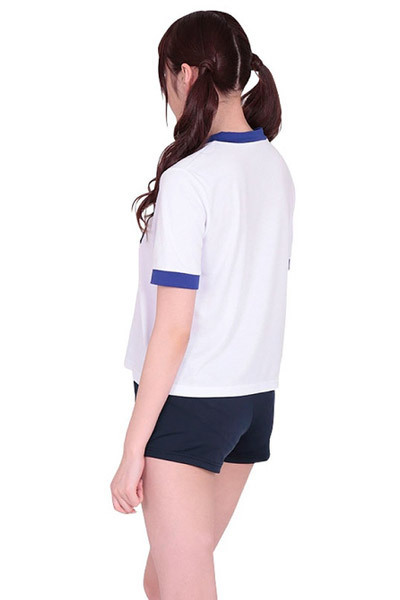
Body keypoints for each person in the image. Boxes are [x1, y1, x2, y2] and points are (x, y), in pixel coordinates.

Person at [110, 9, 295, 600]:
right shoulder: (274, 167)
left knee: (182, 586)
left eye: (166, 78)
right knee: (163, 579)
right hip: (251, 401)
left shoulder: (191, 178)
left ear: (185, 74)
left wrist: (132, 448)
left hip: (188, 403)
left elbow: (174, 327)